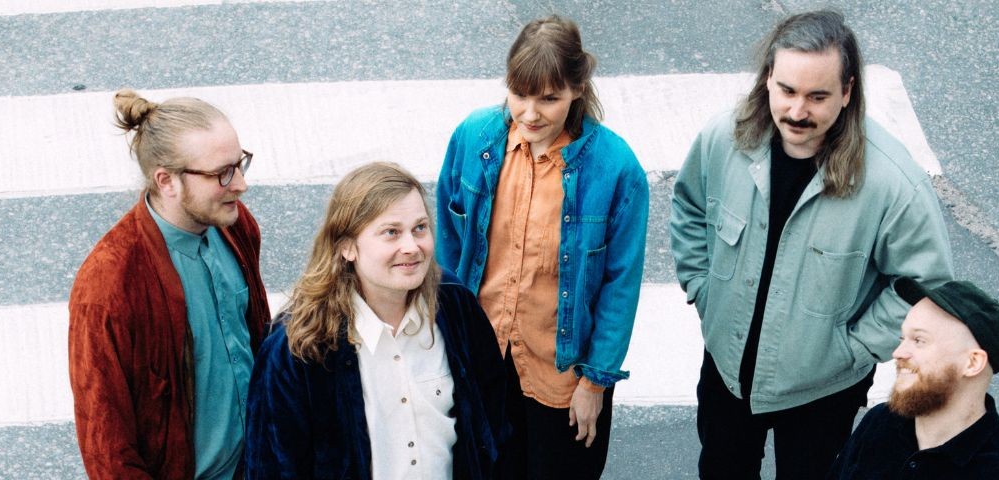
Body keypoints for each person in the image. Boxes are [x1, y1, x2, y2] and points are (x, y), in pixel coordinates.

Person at [670, 10, 955, 478]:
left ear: (847, 92)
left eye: (817, 97)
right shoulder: (723, 139)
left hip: (822, 394)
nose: (798, 111)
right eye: (787, 90)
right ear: (768, 78)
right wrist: (703, 290)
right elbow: (690, 207)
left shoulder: (892, 183)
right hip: (726, 371)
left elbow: (926, 283)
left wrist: (854, 348)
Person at [435, 14, 649, 479]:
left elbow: (620, 286)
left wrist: (594, 384)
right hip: (483, 362)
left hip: (562, 378)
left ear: (577, 88)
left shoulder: (616, 168)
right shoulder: (473, 138)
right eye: (519, 94)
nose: (530, 114)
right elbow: (447, 250)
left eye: (549, 98)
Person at [245, 162, 506, 479]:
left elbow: (498, 421)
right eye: (391, 232)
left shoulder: (456, 308)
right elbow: (272, 466)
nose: (411, 247)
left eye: (420, 228)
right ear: (347, 247)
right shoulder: (296, 346)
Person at [68, 89, 270, 479]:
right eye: (222, 173)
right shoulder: (108, 285)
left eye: (240, 164)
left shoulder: (235, 225)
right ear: (167, 181)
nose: (241, 184)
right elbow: (107, 447)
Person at [827, 278, 999, 478]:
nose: (898, 352)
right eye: (903, 338)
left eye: (919, 340)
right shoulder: (880, 422)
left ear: (972, 363)